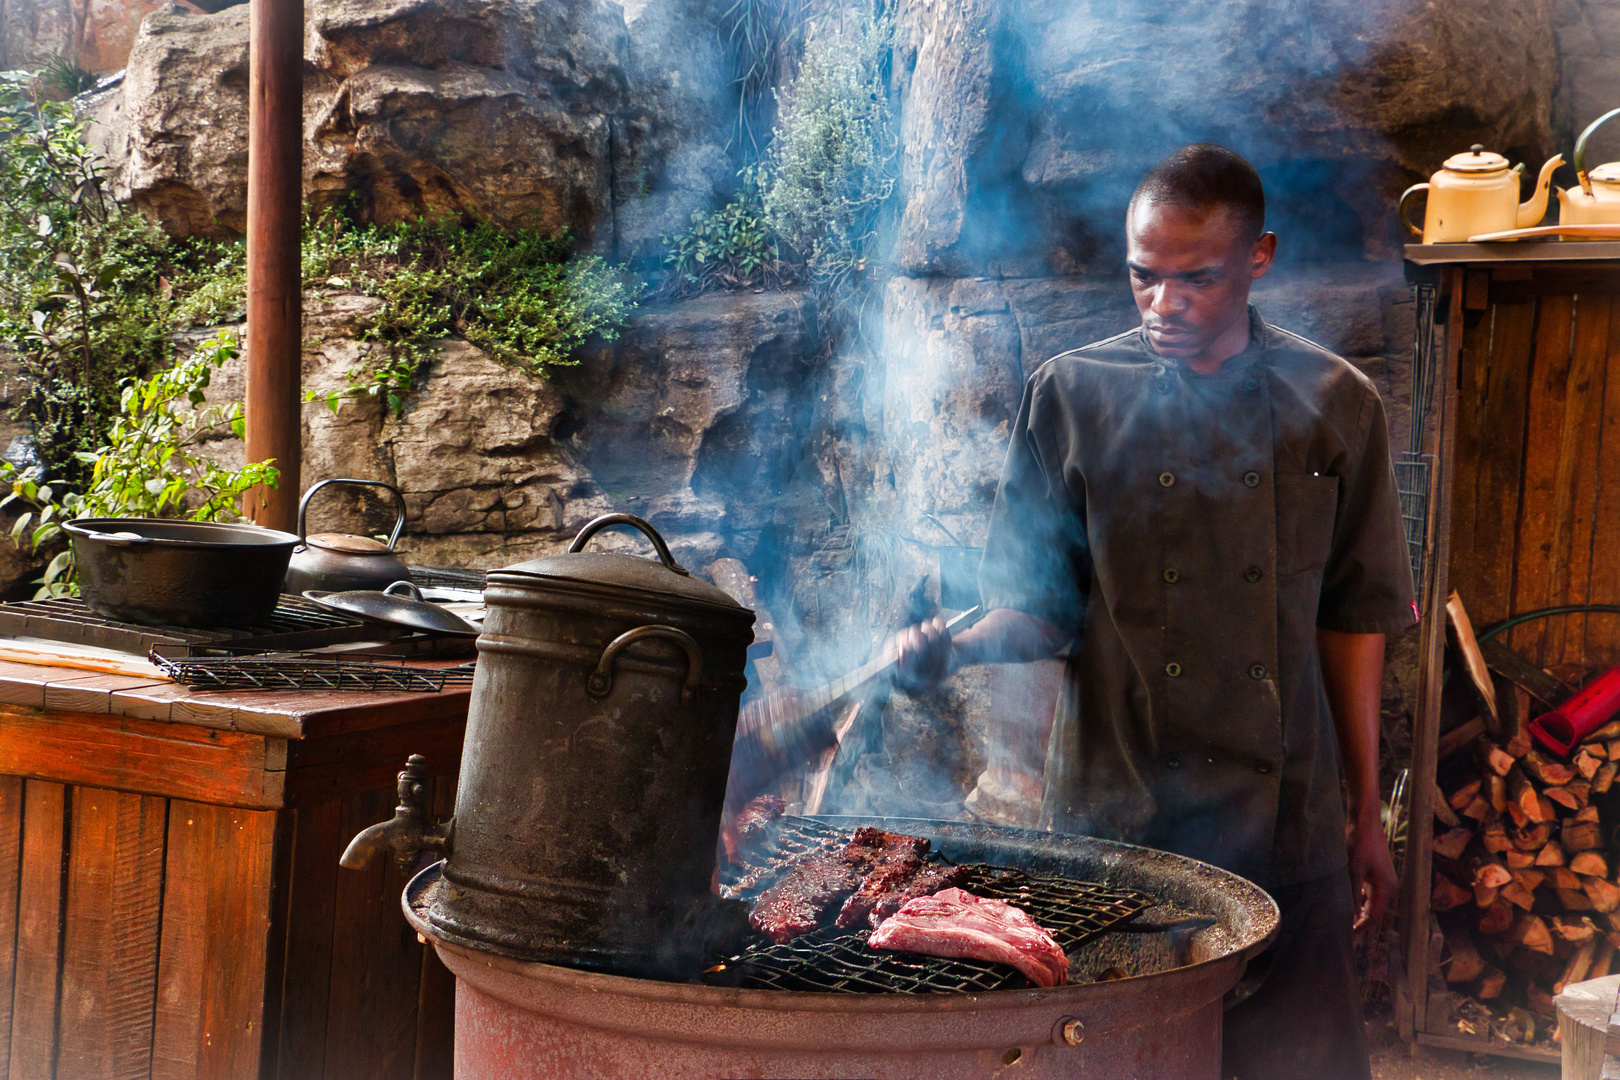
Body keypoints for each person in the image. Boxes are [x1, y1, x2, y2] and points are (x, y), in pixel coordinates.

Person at [894, 144, 1416, 1080]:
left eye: (1196, 280)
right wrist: (959, 650)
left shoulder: (1336, 404)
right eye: (1144, 278)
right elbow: (1042, 614)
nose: (1164, 305)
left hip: (1286, 819)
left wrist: (1365, 813)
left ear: (1258, 257)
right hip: (1118, 819)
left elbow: (1353, 623)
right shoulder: (1072, 396)